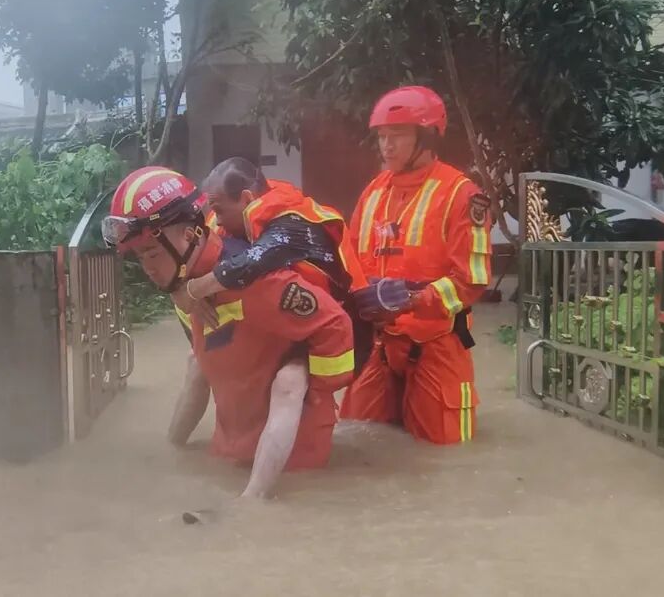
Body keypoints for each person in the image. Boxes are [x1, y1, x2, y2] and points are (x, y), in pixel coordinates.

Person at [102, 167, 356, 498]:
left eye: (151, 252)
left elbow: (336, 326)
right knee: (195, 363)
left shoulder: (259, 282)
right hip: (229, 451)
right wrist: (169, 455)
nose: (148, 267)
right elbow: (202, 371)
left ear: (190, 236)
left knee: (289, 382)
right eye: (140, 257)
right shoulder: (185, 287)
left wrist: (315, 392)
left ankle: (253, 503)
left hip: (292, 466)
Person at [340, 85, 493, 445]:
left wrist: (412, 300)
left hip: (437, 343)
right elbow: (349, 262)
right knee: (353, 438)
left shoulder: (462, 195)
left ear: (427, 137)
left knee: (447, 452)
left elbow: (472, 282)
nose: (386, 146)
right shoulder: (373, 192)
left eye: (397, 135)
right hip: (378, 343)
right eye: (381, 136)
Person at [171, 157, 372, 374]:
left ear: (247, 199)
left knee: (288, 385)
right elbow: (183, 258)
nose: (217, 221)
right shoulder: (228, 218)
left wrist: (192, 290)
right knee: (196, 366)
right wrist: (180, 289)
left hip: (332, 332)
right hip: (273, 329)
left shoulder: (293, 221)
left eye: (220, 211)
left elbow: (251, 262)